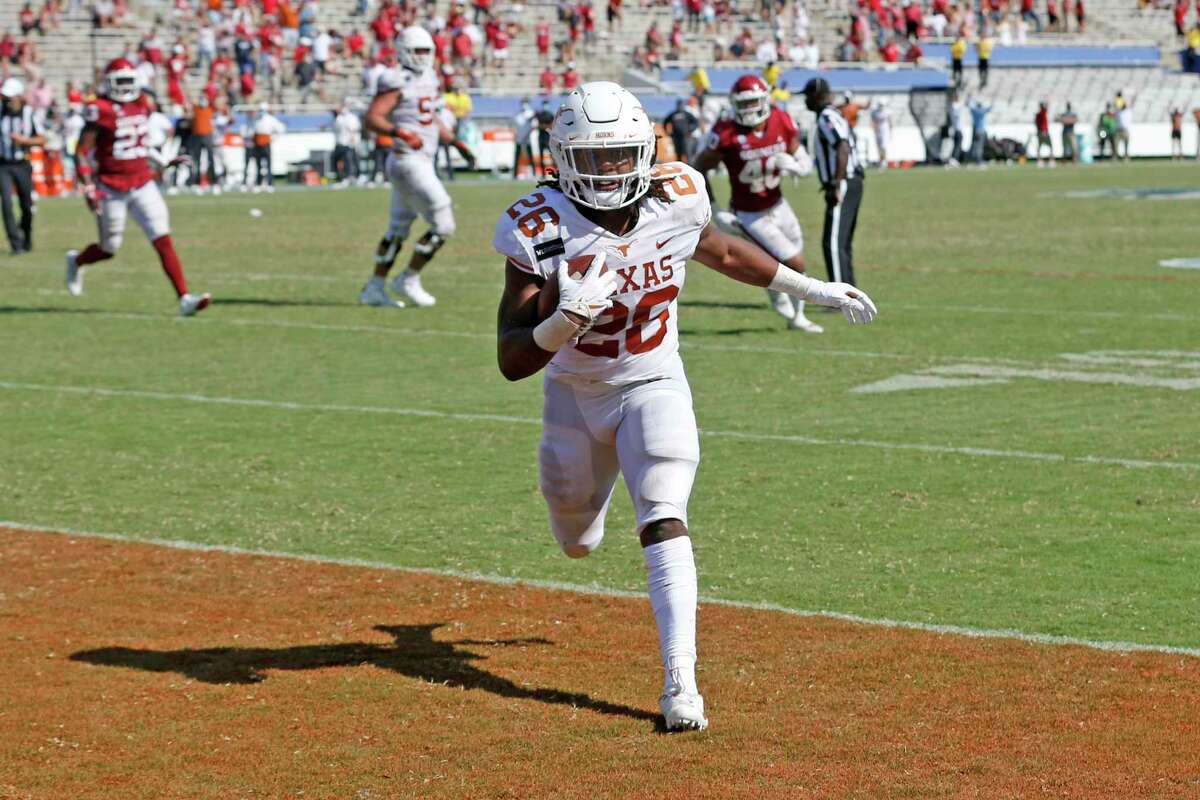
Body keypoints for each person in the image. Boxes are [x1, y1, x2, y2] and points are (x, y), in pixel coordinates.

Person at [491, 81, 878, 733]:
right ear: (562, 158)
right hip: (574, 395)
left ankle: (681, 685)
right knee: (577, 542)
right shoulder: (541, 226)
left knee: (665, 510)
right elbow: (510, 358)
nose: (610, 170)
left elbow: (722, 250)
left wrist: (812, 289)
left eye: (620, 154)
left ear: (644, 150)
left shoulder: (677, 193)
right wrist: (562, 322)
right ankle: (597, 486)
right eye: (594, 156)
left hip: (653, 380)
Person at [65, 59, 209, 316]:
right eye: (118, 82)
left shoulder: (142, 103)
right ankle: (77, 261)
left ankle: (185, 298)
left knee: (162, 238)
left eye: (127, 81)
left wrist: (164, 161)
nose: (124, 87)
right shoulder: (100, 109)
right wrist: (88, 186)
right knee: (109, 248)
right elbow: (82, 151)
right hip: (110, 186)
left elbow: (139, 144)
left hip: (142, 182)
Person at [693, 75, 822, 331]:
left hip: (778, 203)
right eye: (744, 103)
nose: (750, 109)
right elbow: (698, 169)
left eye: (754, 102)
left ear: (765, 100)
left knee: (793, 252)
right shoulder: (726, 133)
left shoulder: (780, 120)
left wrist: (797, 166)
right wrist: (715, 210)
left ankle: (784, 300)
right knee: (795, 262)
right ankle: (798, 317)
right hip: (750, 213)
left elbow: (802, 158)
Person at [359, 26, 454, 309]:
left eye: (427, 51)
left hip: (420, 159)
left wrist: (456, 142)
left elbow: (431, 116)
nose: (423, 57)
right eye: (418, 51)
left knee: (398, 229)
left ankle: (375, 287)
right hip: (408, 161)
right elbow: (372, 118)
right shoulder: (396, 78)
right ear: (403, 52)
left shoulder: (430, 77)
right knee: (444, 224)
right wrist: (400, 132)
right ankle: (408, 278)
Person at [807, 77, 865, 288]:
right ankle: (850, 290)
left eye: (807, 96)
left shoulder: (827, 117)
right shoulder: (834, 115)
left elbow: (842, 147)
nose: (805, 101)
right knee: (842, 243)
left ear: (817, 96)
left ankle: (841, 296)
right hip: (852, 180)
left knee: (832, 243)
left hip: (845, 181)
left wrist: (836, 183)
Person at [0, 78, 41, 255]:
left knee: (27, 205)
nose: (7, 101)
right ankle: (15, 244)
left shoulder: (29, 113)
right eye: (5, 97)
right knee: (7, 204)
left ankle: (26, 234)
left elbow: (42, 138)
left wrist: (25, 141)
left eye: (10, 97)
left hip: (23, 164)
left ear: (19, 96)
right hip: (3, 165)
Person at [248, 103, 284, 190]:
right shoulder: (256, 119)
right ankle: (258, 184)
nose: (261, 112)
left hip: (266, 143)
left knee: (268, 165)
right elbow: (252, 131)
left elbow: (281, 129)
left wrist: (272, 138)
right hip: (257, 144)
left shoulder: (271, 119)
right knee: (258, 165)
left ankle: (270, 184)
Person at [332, 101, 362, 184]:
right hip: (340, 143)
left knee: (351, 161)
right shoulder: (339, 118)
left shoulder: (351, 117)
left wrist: (353, 140)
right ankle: (342, 177)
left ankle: (352, 177)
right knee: (340, 161)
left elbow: (353, 130)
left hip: (348, 143)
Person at [662, 98, 697, 164]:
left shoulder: (687, 114)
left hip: (686, 138)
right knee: (678, 154)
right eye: (679, 105)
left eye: (681, 104)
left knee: (687, 154)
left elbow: (695, 122)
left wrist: (690, 130)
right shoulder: (673, 114)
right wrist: (668, 133)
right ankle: (680, 168)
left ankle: (690, 168)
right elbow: (665, 122)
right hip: (676, 137)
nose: (680, 106)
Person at [512, 97, 536, 178]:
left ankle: (534, 173)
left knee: (530, 156)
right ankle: (514, 174)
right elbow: (516, 126)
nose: (524, 104)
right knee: (517, 156)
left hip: (527, 138)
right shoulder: (518, 114)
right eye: (523, 102)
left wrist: (527, 135)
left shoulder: (531, 113)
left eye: (525, 102)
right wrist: (516, 136)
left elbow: (533, 126)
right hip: (519, 138)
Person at [968, 97, 992, 165]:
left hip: (975, 130)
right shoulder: (982, 110)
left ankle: (976, 159)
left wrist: (969, 99)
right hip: (980, 131)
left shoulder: (974, 110)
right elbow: (990, 108)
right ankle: (978, 160)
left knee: (976, 145)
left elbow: (969, 106)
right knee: (979, 146)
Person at [869, 98, 891, 169]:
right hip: (877, 131)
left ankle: (884, 162)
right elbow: (872, 121)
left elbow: (890, 122)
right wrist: (873, 128)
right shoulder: (874, 112)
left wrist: (891, 132)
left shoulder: (887, 111)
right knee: (879, 147)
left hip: (885, 131)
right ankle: (881, 161)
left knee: (883, 146)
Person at [1034, 101, 1052, 167]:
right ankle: (1050, 161)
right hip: (1044, 132)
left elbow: (1036, 123)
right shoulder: (1042, 113)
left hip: (1040, 131)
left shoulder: (1037, 114)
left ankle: (1039, 161)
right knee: (1050, 146)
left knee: (1039, 146)